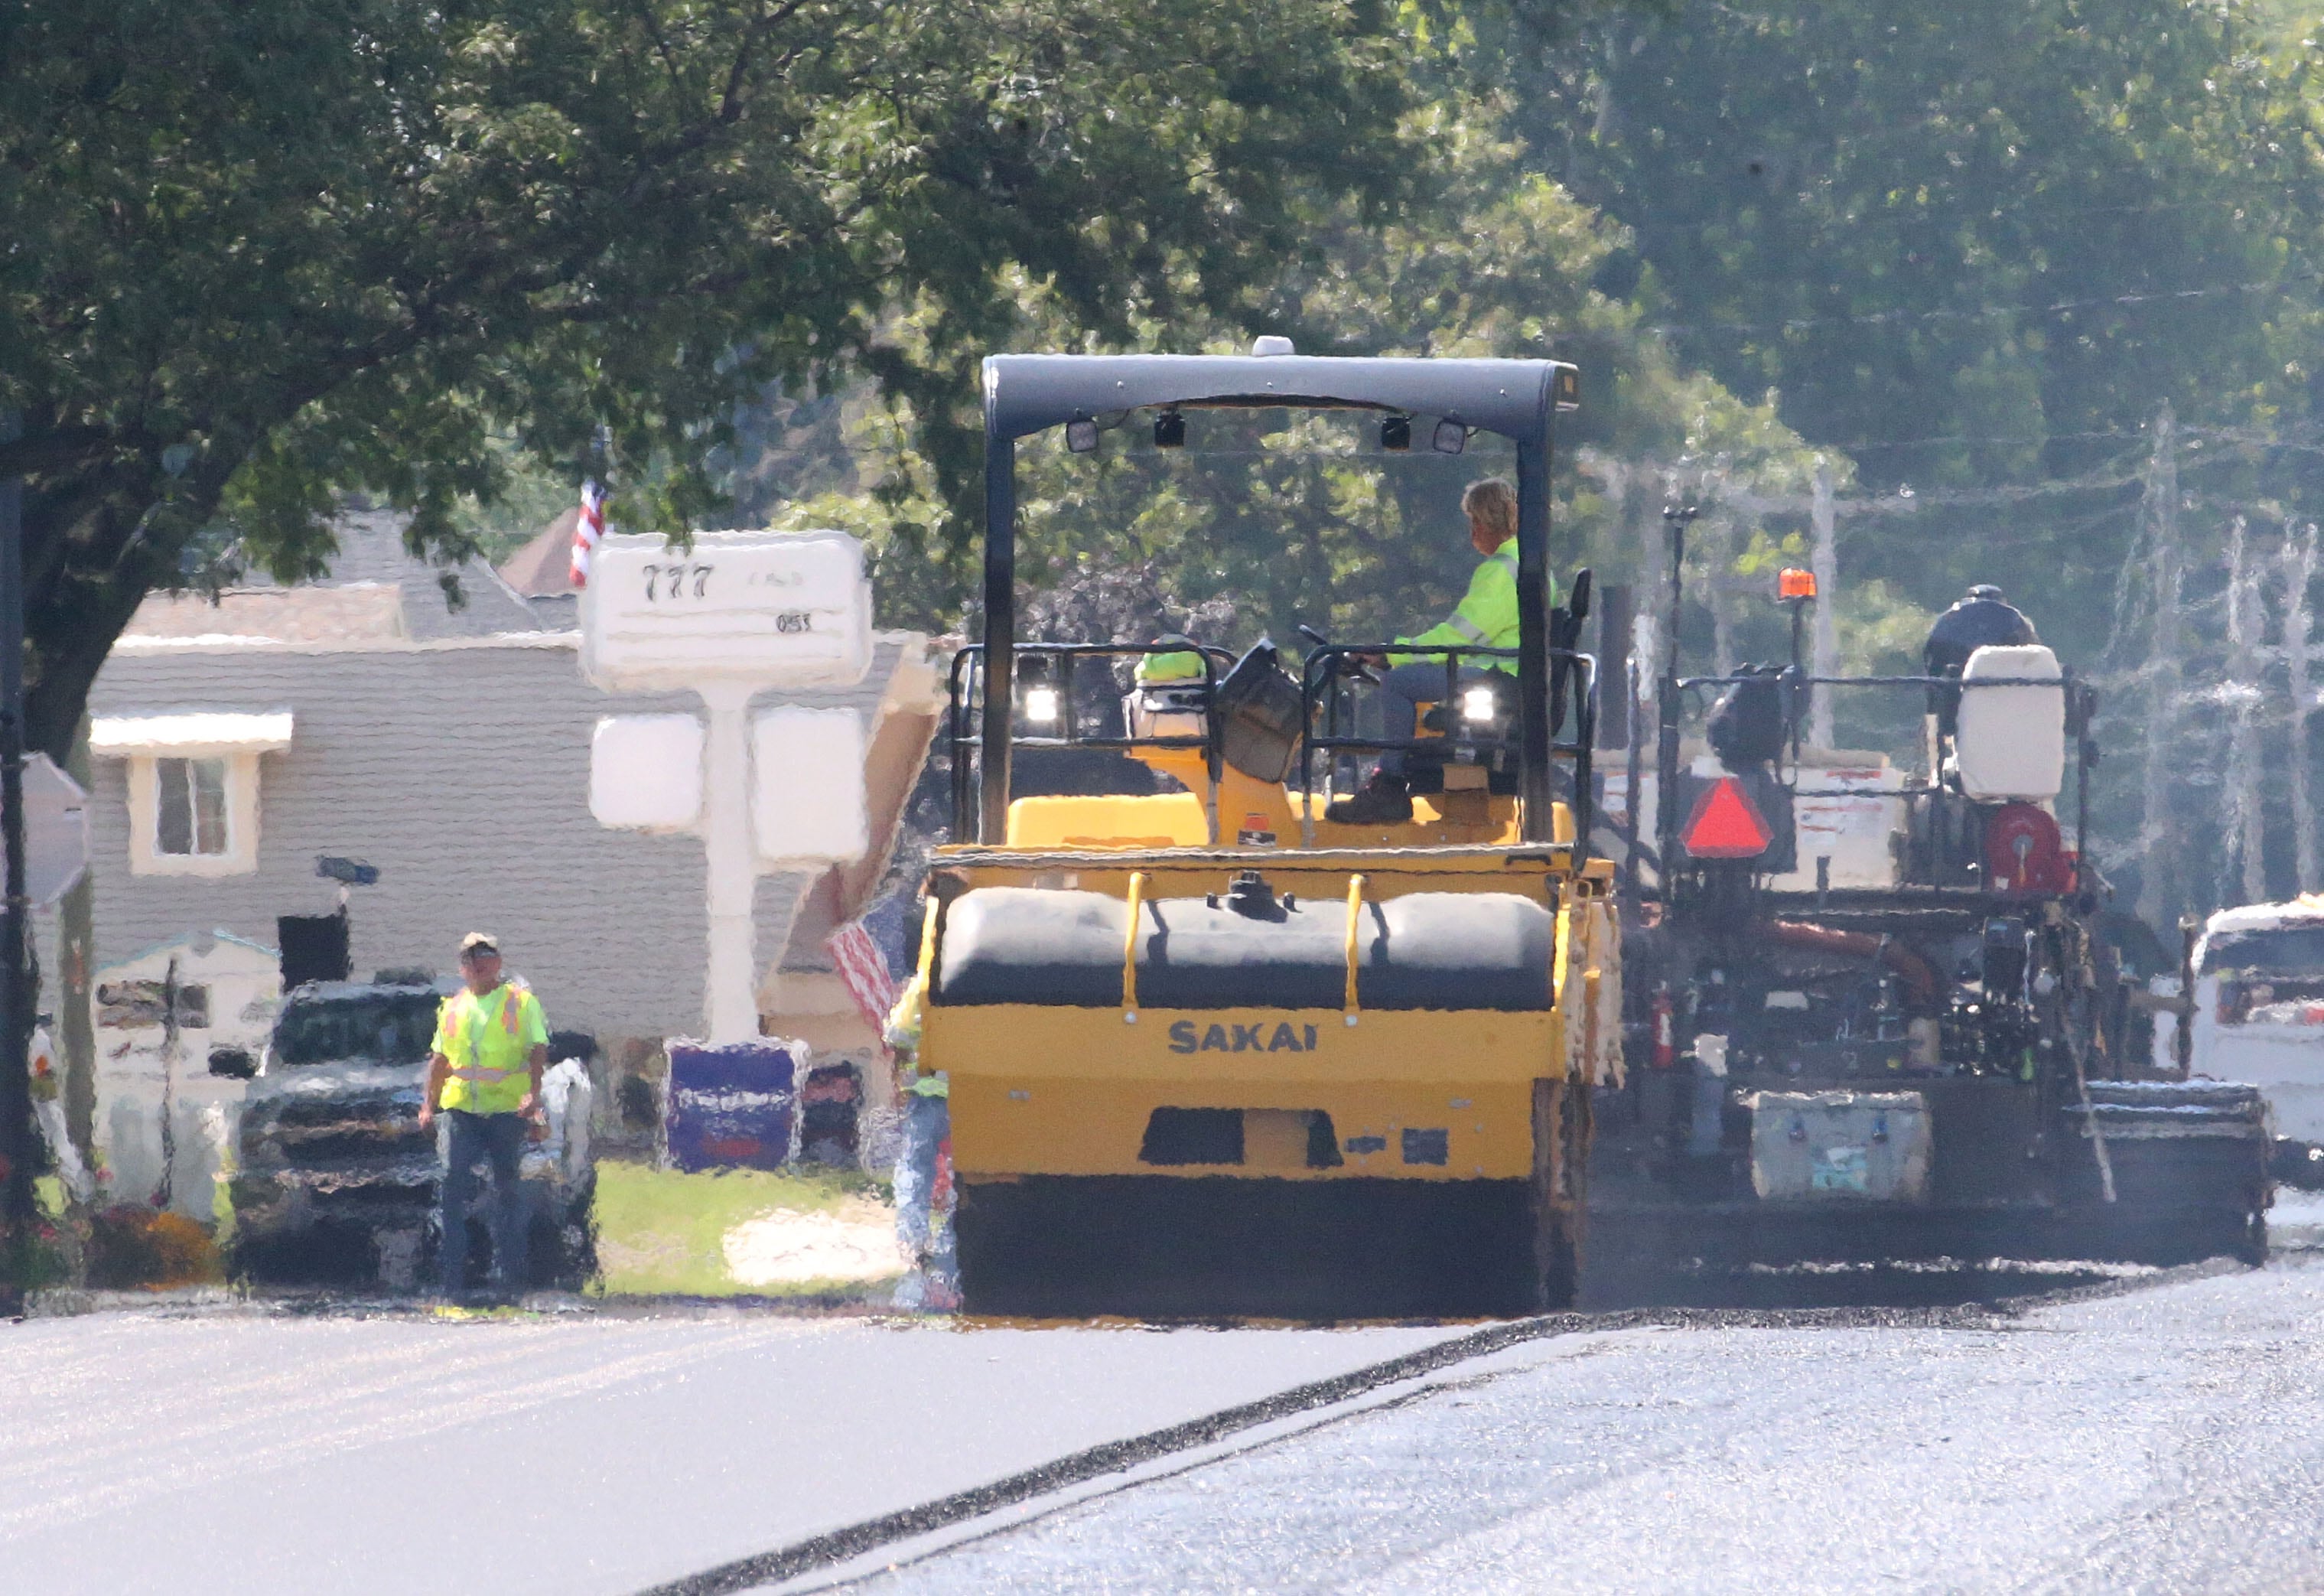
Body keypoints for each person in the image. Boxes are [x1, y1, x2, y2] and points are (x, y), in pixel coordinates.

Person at [1326, 477, 1553, 824]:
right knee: (1411, 680)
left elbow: (1458, 638)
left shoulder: (1502, 572)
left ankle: (1388, 786)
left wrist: (1392, 655)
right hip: (1511, 677)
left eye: (1474, 522)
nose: (1472, 532)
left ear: (1486, 521)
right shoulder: (1531, 565)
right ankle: (1405, 775)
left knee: (1400, 684)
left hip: (1498, 680)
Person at [418, 932, 548, 1298]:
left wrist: (532, 1096)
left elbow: (537, 1051)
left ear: (499, 961)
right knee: (451, 1189)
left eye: (486, 955)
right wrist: (429, 1105)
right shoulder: (452, 1006)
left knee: (507, 1194)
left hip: (507, 1111)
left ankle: (510, 1283)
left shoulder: (521, 1003)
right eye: (470, 957)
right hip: (462, 1112)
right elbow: (440, 1060)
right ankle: (454, 1285)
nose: (479, 962)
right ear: (462, 967)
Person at [882, 957, 957, 1310]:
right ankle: (950, 1242)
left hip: (924, 1095)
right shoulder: (977, 981)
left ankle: (912, 1240)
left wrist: (899, 1080)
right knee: (966, 1172)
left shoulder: (923, 985)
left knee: (915, 1165)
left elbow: (897, 1034)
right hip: (971, 1096)